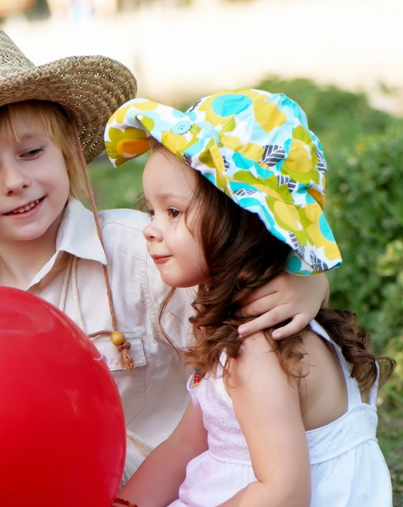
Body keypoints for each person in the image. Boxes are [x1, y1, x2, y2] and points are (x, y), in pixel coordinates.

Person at [0, 21, 329, 507]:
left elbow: (246, 294)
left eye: (32, 152)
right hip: (23, 479)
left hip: (150, 480)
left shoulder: (139, 250)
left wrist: (309, 283)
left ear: (65, 152)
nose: (15, 181)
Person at [105, 88, 396, 507]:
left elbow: (284, 494)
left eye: (172, 212)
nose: (149, 228)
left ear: (242, 219)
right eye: (149, 209)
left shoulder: (257, 351)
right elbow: (185, 446)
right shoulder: (251, 327)